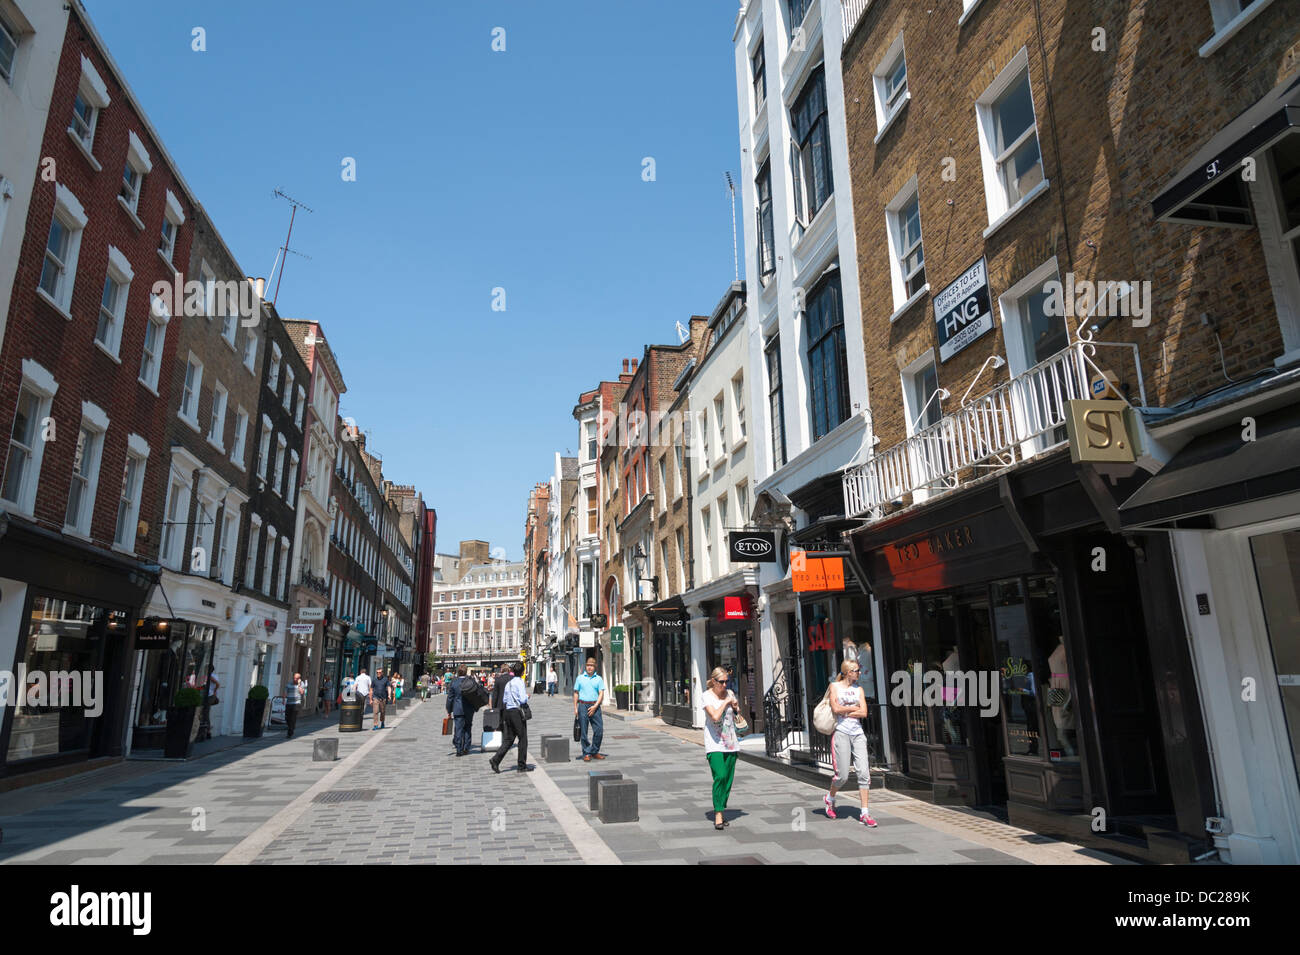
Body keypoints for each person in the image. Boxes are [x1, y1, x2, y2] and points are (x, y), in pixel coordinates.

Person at [823, 659, 877, 827]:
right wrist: (854, 708)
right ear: (847, 672)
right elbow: (836, 709)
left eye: (859, 670)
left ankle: (865, 813)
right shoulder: (835, 687)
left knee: (864, 774)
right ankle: (830, 798)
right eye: (856, 670)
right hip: (841, 733)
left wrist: (848, 710)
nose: (859, 673)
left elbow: (864, 712)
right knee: (843, 776)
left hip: (857, 733)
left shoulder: (858, 689)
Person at [703, 666, 740, 830]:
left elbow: (736, 715)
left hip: (731, 743)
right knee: (720, 776)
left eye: (727, 681)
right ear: (713, 681)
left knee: (728, 780)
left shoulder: (731, 693)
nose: (725, 685)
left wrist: (737, 708)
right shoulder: (706, 696)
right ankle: (718, 814)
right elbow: (715, 717)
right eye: (722, 682)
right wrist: (726, 702)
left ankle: (721, 808)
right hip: (714, 743)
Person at [490, 662, 531, 773]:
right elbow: (522, 699)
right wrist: (527, 696)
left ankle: (496, 759)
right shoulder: (519, 682)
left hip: (508, 711)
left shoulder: (510, 683)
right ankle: (521, 765)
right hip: (516, 713)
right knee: (522, 738)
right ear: (522, 672)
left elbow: (504, 700)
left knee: (509, 739)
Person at [573, 657, 606, 762]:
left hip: (595, 706)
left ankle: (595, 751)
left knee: (599, 730)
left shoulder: (599, 679)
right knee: (583, 731)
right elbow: (576, 693)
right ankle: (586, 752)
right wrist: (575, 708)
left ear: (595, 666)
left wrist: (596, 706)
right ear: (585, 666)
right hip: (583, 706)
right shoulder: (580, 678)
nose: (589, 667)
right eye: (588, 665)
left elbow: (601, 693)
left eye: (591, 666)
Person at [446, 665, 473, 755]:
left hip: (458, 708)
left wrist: (449, 710)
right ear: (466, 672)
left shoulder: (454, 683)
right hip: (469, 709)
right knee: (468, 728)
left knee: (458, 729)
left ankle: (459, 748)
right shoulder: (470, 681)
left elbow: (450, 698)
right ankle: (466, 747)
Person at [284, 672, 305, 739]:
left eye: (296, 678)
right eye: (294, 678)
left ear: (299, 679)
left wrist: (299, 684)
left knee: (293, 718)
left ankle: (290, 732)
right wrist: (283, 699)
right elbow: (285, 691)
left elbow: (302, 692)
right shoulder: (289, 683)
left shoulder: (301, 684)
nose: (295, 679)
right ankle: (291, 727)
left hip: (296, 703)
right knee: (287, 717)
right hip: (289, 703)